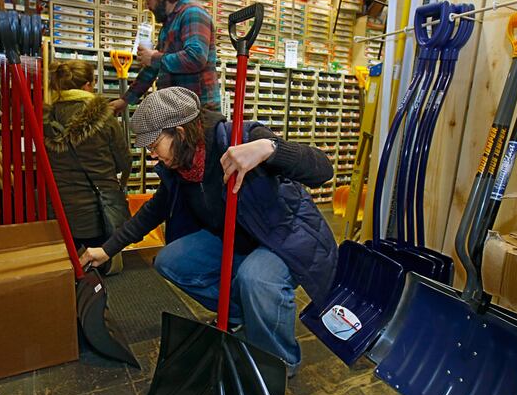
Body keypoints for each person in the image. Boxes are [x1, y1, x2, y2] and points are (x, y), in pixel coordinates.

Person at [81, 87, 338, 375]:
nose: (153, 156)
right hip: (235, 238)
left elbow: (322, 170)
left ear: (178, 131)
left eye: (154, 146)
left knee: (256, 278)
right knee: (171, 261)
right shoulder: (183, 166)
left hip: (282, 236)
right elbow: (155, 210)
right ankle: (244, 315)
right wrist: (108, 248)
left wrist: (270, 148)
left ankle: (277, 363)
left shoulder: (242, 138)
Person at [44, 60, 132, 274]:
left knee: (70, 270)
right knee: (106, 272)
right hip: (100, 214)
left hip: (60, 214)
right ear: (87, 86)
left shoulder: (47, 117)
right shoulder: (104, 117)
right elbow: (124, 161)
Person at [110, 0, 221, 114]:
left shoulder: (192, 13)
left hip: (199, 113)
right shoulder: (168, 24)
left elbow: (195, 58)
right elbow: (152, 69)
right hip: (177, 110)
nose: (147, 4)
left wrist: (155, 58)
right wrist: (125, 100)